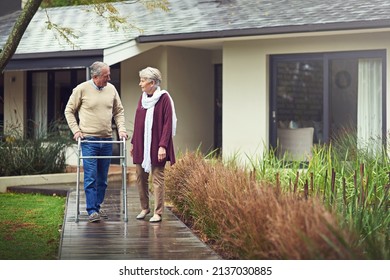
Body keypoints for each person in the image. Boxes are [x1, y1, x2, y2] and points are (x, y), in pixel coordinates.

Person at [65, 61, 128, 223]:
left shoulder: (111, 89)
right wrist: (76, 130)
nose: (109, 78)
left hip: (107, 140)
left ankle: (97, 207)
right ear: (95, 76)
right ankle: (92, 210)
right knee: (91, 177)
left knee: (102, 179)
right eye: (106, 76)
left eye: (109, 75)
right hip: (88, 141)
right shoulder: (82, 89)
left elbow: (119, 111)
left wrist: (121, 129)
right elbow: (69, 111)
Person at [130, 66, 177, 223]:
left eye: (143, 81)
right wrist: (133, 143)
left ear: (152, 83)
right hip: (141, 145)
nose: (140, 84)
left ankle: (158, 212)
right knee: (140, 177)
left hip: (157, 145)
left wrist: (163, 145)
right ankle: (145, 208)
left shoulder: (164, 98)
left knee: (157, 179)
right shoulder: (142, 98)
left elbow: (167, 124)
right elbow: (138, 122)